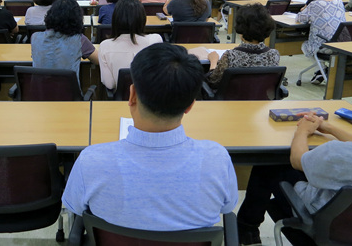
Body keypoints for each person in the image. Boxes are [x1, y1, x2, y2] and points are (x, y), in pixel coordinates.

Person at [63, 43, 238, 231]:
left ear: (131, 96)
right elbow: (228, 206)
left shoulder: (91, 161)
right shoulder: (217, 160)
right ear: (190, 106)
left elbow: (75, 207)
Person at [236, 60, 352, 245]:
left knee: (270, 164)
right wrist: (329, 127)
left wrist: (303, 131)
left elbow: (298, 159)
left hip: (325, 226)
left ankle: (246, 229)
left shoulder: (338, 154)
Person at [194, 3, 280, 89]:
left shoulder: (230, 56)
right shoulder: (274, 54)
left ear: (241, 28)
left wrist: (213, 62)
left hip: (231, 100)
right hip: (262, 99)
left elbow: (212, 82)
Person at [99, 0, 162, 90]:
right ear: (142, 19)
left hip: (121, 102)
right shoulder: (155, 40)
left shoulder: (105, 46)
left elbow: (110, 84)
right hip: (150, 100)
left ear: (115, 19)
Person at [32, 0, 98, 80]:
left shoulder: (35, 37)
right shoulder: (80, 40)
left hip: (39, 92)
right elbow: (98, 60)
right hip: (68, 92)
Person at [297, 0, 346, 84]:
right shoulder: (339, 1)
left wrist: (305, 10)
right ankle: (320, 70)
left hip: (324, 45)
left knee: (305, 46)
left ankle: (321, 69)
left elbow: (300, 18)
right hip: (341, 43)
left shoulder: (315, 4)